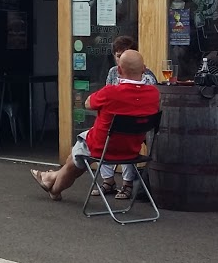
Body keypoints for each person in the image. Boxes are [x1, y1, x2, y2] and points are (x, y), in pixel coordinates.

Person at [30, 49, 160, 202]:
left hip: (101, 147)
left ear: (119, 70)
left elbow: (88, 103)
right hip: (131, 150)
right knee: (76, 155)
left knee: (75, 159)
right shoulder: (154, 94)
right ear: (144, 69)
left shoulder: (110, 92)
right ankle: (50, 178)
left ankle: (53, 187)